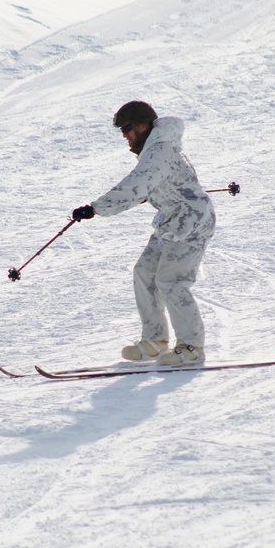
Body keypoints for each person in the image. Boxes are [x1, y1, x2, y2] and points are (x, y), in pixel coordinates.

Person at [72, 101, 216, 366]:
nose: (125, 135)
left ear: (143, 125)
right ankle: (155, 341)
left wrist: (96, 209)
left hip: (191, 221)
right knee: (145, 273)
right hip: (171, 220)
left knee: (171, 281)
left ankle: (192, 347)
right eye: (121, 130)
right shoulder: (155, 150)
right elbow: (149, 185)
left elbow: (136, 185)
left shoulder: (159, 152)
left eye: (127, 128)